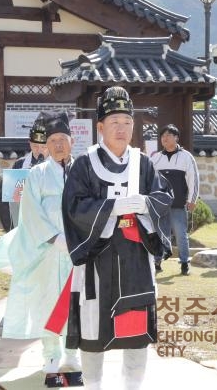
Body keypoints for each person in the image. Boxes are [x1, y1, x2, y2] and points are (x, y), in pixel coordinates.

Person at [62, 86, 172, 390]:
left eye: (127, 122)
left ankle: (132, 386)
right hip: (98, 263)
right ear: (100, 127)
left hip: (136, 261)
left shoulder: (144, 164)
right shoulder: (85, 165)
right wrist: (111, 209)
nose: (122, 129)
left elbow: (164, 196)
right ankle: (93, 385)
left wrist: (146, 204)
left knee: (135, 332)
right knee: (94, 332)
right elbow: (73, 208)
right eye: (114, 122)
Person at [0, 110, 80, 383]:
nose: (58, 144)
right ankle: (51, 358)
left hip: (78, 252)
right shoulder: (37, 174)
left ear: (72, 141)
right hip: (48, 250)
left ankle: (73, 356)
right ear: (46, 144)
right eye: (53, 139)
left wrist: (81, 240)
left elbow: (93, 207)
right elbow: (31, 212)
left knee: (76, 303)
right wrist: (55, 239)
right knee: (48, 303)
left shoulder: (84, 171)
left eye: (63, 139)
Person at [150, 123, 200, 275]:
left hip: (178, 204)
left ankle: (184, 263)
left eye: (168, 135)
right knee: (159, 233)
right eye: (163, 136)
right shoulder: (156, 158)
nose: (165, 138)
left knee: (181, 234)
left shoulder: (186, 157)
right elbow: (150, 181)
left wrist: (192, 199)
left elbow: (194, 179)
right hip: (160, 205)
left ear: (176, 138)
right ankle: (157, 262)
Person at [0, 117, 48, 231]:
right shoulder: (21, 163)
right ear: (29, 144)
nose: (39, 150)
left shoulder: (56, 164)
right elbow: (6, 195)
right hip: (24, 217)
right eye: (35, 146)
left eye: (43, 147)